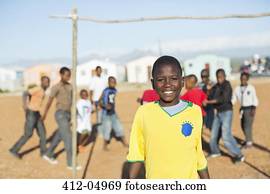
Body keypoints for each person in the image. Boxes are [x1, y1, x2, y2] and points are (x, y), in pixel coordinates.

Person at [127, 55, 209, 179]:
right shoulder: (144, 113)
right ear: (153, 83)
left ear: (182, 82)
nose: (167, 84)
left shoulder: (194, 111)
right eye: (160, 79)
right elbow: (136, 154)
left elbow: (198, 153)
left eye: (173, 78)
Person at [42, 67, 81, 170]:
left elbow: (72, 101)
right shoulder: (56, 87)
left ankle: (48, 154)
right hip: (60, 114)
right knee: (69, 137)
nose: (68, 77)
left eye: (69, 75)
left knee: (60, 135)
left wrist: (75, 113)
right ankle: (70, 163)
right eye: (66, 75)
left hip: (68, 115)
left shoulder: (70, 87)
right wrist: (45, 114)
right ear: (61, 74)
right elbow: (49, 101)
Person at [206, 69, 244, 163]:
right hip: (218, 113)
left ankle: (239, 154)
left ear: (224, 76)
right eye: (218, 77)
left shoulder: (227, 85)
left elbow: (223, 99)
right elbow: (210, 96)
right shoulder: (216, 86)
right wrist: (209, 89)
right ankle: (215, 151)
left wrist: (209, 102)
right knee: (213, 134)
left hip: (226, 112)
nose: (219, 79)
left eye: (221, 77)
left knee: (226, 136)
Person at [9, 76, 50, 159]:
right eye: (45, 82)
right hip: (31, 113)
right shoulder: (38, 89)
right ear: (41, 82)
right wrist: (24, 105)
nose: (47, 83)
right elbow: (25, 93)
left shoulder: (43, 91)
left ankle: (43, 152)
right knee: (28, 134)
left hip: (37, 114)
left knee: (43, 134)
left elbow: (33, 97)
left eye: (48, 82)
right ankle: (14, 150)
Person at [99, 76, 128, 151]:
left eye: (115, 82)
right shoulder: (105, 91)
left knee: (119, 127)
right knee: (107, 129)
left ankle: (125, 142)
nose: (114, 83)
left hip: (113, 113)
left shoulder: (115, 90)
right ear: (108, 83)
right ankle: (104, 146)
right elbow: (100, 101)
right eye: (112, 82)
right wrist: (105, 106)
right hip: (106, 114)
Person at [232, 72, 258, 148]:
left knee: (247, 126)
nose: (243, 80)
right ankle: (248, 139)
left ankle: (249, 142)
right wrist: (229, 104)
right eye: (242, 79)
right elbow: (234, 99)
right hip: (242, 109)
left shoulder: (251, 88)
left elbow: (255, 99)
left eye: (245, 79)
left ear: (247, 79)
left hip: (250, 109)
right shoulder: (237, 89)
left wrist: (253, 109)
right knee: (243, 125)